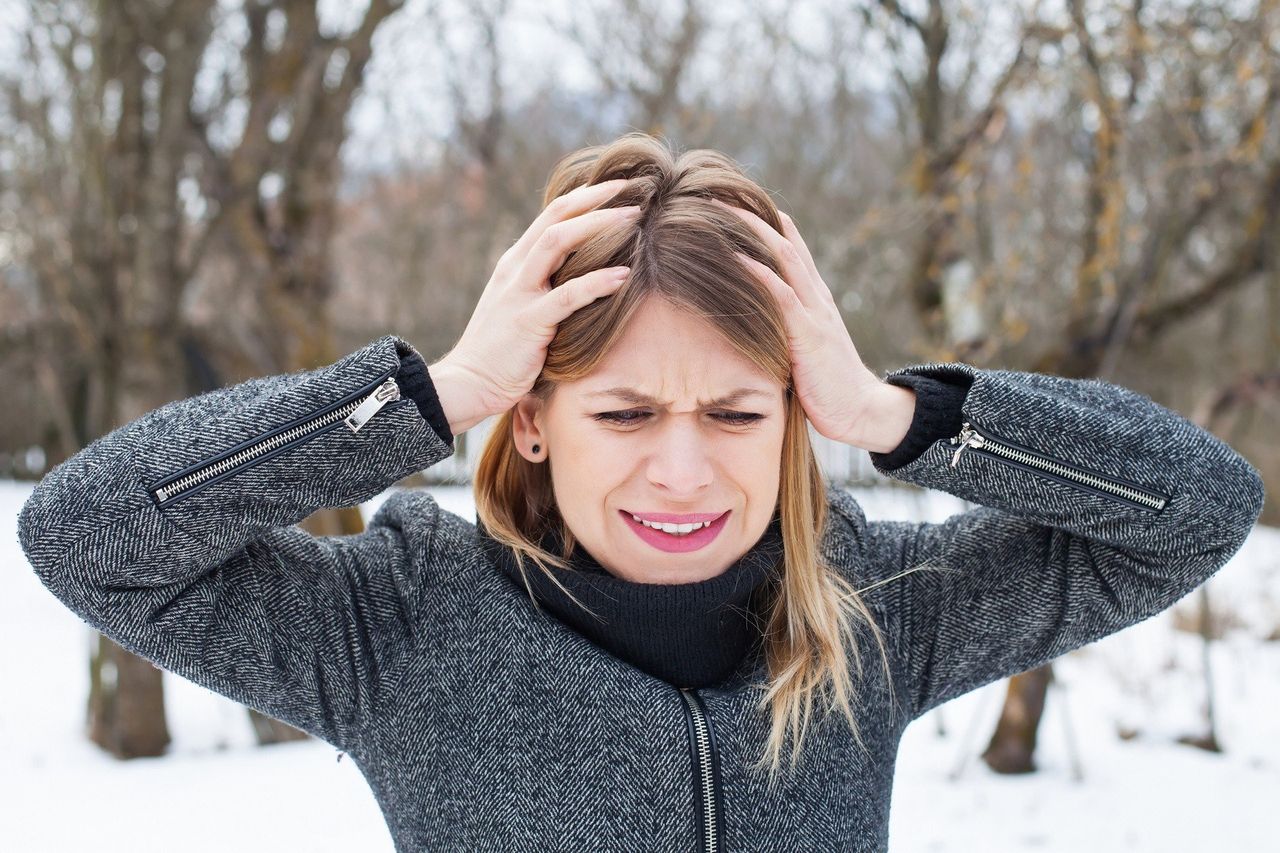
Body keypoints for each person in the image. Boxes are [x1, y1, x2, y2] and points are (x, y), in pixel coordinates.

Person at [17, 132, 1265, 852]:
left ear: (793, 415)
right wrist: (428, 396)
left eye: (735, 411)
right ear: (538, 420)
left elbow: (1193, 510)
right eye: (621, 412)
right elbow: (87, 533)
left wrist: (896, 414)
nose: (683, 470)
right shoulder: (391, 626)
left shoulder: (874, 609)